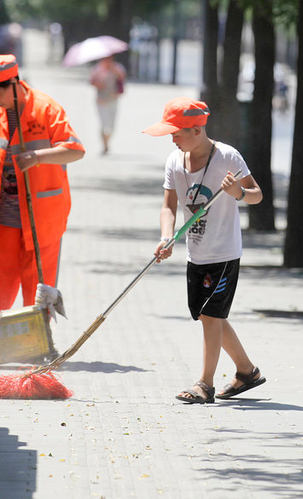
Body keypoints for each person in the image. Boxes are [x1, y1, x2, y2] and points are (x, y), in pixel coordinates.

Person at [144, 97, 266, 404]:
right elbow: (168, 206)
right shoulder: (175, 161)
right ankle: (247, 371)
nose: (171, 138)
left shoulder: (227, 157)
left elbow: (256, 195)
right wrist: (166, 236)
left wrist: (237, 192)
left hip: (224, 253)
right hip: (195, 252)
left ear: (197, 130)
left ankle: (204, 385)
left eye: (176, 132)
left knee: (211, 316)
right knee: (209, 315)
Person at [0, 54, 85, 353]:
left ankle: (37, 346)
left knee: (38, 285)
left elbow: (75, 150)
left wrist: (38, 156)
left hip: (41, 215)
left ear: (14, 84)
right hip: (0, 212)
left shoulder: (46, 109)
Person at [89, 55, 127, 154]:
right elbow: (92, 82)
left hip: (113, 99)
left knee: (111, 125)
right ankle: (105, 145)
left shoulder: (117, 67)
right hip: (101, 100)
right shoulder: (97, 69)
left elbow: (122, 77)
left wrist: (113, 70)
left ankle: (107, 142)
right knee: (104, 124)